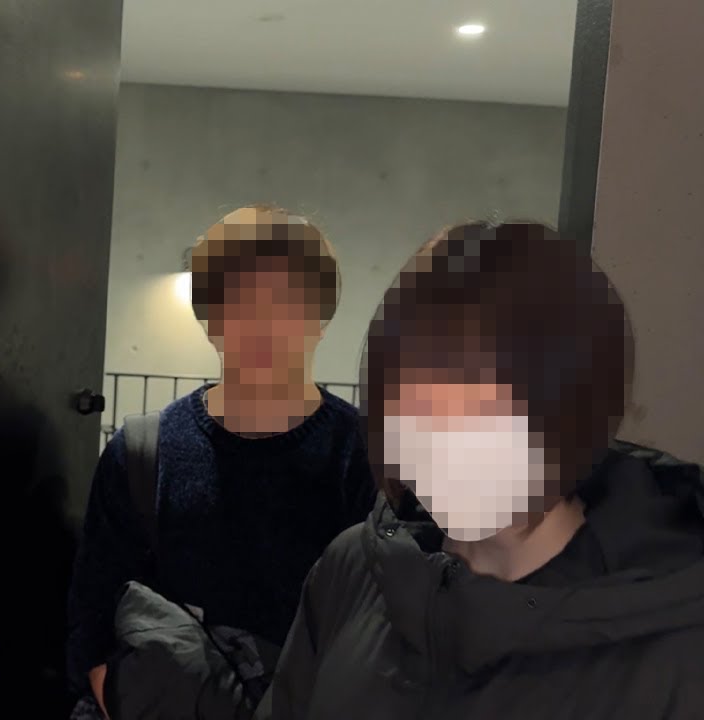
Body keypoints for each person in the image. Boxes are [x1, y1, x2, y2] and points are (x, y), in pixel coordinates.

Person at [264, 221, 704, 718]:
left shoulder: (679, 654)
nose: (438, 424)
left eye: (488, 385)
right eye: (412, 385)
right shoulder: (351, 571)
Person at [65, 205, 377, 717]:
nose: (262, 324)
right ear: (209, 320)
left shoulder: (368, 458)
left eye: (285, 301)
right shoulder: (142, 454)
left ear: (320, 319)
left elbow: (395, 638)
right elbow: (92, 637)